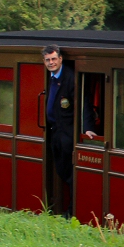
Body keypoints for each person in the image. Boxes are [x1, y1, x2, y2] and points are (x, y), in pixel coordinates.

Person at [42, 44, 76, 215]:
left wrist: (88, 128)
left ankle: (72, 211)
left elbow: (82, 105)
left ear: (61, 59)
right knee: (61, 171)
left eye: (54, 59)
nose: (51, 62)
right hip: (53, 132)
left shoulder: (70, 78)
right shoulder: (48, 78)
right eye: (48, 60)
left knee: (70, 175)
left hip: (67, 134)